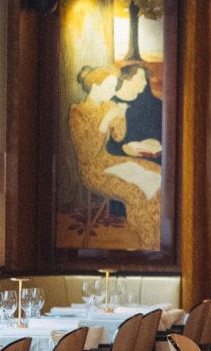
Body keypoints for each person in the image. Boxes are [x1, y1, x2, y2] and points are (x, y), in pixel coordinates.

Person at [69, 66, 161, 249]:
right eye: (109, 86)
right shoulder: (78, 113)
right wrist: (104, 121)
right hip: (92, 170)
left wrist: (120, 116)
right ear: (95, 85)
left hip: (108, 159)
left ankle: (155, 237)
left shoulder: (108, 105)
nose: (113, 91)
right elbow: (87, 154)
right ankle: (146, 241)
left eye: (114, 87)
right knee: (136, 191)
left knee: (157, 174)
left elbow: (118, 136)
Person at [108, 61, 164, 160]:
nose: (145, 82)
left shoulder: (147, 97)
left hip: (152, 153)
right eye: (141, 79)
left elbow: (161, 122)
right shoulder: (110, 104)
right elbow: (108, 144)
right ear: (126, 79)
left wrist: (156, 140)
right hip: (125, 158)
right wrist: (123, 149)